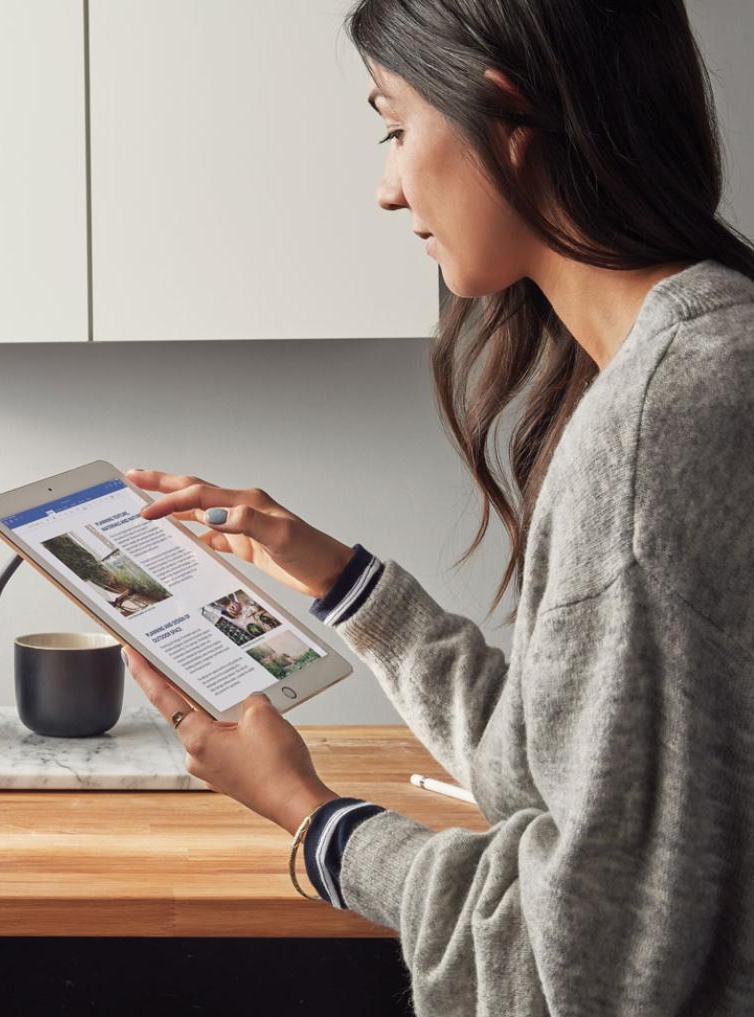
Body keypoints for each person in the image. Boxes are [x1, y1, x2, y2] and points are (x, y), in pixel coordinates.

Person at [120, 0, 754, 1013]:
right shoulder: (702, 355)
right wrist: (338, 580)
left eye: (393, 124)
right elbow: (565, 777)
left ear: (505, 112)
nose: (385, 189)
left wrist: (304, 811)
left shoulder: (658, 426)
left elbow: (587, 961)